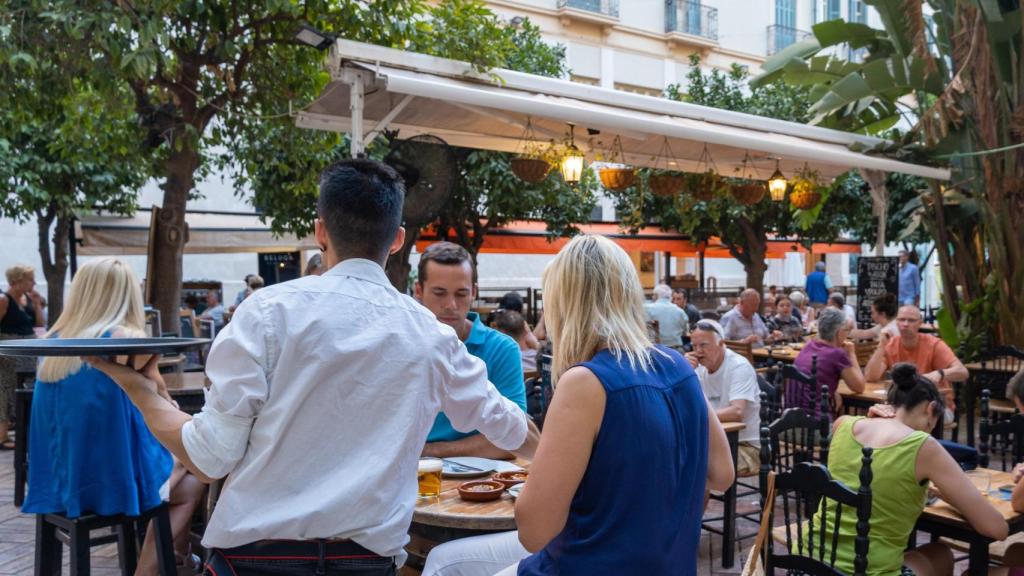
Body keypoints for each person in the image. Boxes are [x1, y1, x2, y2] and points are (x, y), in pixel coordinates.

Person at [86, 158, 539, 576]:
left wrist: (141, 391)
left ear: (320, 232)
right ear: (398, 238)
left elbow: (210, 458)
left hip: (254, 560)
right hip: (365, 565)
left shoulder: (266, 313)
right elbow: (514, 430)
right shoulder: (431, 335)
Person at [421, 234, 733, 576]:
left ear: (564, 302)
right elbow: (722, 476)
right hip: (667, 565)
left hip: (585, 563)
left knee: (443, 564)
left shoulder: (585, 382)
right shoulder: (678, 365)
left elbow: (535, 531)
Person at [21, 258, 206, 575]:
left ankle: (175, 558)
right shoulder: (127, 339)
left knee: (191, 471)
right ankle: (160, 565)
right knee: (200, 466)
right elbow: (164, 403)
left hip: (60, 480)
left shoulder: (54, 341)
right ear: (126, 295)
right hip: (115, 480)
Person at [813, 363, 1007, 576]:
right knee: (942, 556)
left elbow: (861, 476)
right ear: (931, 409)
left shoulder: (843, 424)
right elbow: (996, 529)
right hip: (866, 571)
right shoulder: (923, 445)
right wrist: (946, 493)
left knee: (939, 553)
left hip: (812, 560)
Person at [415, 242, 528, 460]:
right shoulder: (401, 344)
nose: (451, 304)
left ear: (473, 292)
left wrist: (428, 452)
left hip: (478, 480)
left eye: (461, 294)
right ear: (419, 291)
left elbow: (513, 441)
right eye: (439, 293)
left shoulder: (501, 349)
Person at [686, 319, 761, 475]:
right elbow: (686, 404)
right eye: (694, 346)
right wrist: (684, 373)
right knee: (677, 458)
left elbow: (737, 412)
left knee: (697, 466)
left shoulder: (738, 367)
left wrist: (697, 416)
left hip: (745, 447)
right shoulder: (699, 369)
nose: (698, 351)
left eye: (704, 345)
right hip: (715, 442)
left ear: (721, 344)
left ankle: (695, 499)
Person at [864, 305, 968, 417]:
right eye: (901, 319)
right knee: (876, 414)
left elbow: (963, 372)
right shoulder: (890, 344)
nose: (905, 324)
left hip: (937, 406)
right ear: (896, 322)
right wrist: (881, 347)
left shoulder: (934, 344)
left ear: (920, 322)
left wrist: (940, 374)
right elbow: (870, 377)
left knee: (902, 419)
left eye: (911, 320)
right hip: (901, 405)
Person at [0, 264, 44, 451]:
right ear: (17, 280)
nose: (33, 282)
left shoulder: (27, 299)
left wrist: (36, 304)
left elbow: (39, 324)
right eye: (30, 279)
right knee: (6, 390)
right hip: (10, 354)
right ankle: (1, 436)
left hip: (27, 353)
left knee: (25, 389)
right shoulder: (4, 300)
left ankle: (22, 431)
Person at [792, 308, 866, 414]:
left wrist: (833, 391)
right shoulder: (836, 354)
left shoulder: (809, 345)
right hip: (815, 420)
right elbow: (860, 387)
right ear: (839, 332)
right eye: (846, 330)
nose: (847, 334)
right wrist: (851, 354)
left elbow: (815, 378)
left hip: (792, 416)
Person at [643, 283, 689, 350]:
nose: (652, 297)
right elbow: (685, 332)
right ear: (670, 296)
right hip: (676, 350)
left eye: (653, 295)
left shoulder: (646, 308)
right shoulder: (680, 311)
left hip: (655, 349)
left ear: (656, 296)